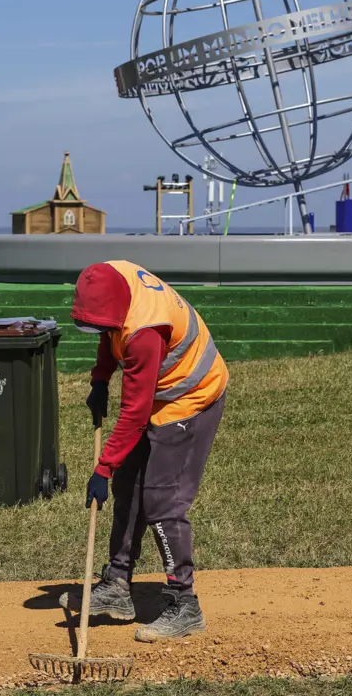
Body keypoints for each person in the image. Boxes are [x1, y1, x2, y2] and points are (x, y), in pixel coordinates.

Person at [60, 259, 228, 642]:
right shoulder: (111, 280)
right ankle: (117, 584)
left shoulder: (145, 333)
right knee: (128, 488)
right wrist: (101, 378)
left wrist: (103, 468)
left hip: (191, 397)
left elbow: (134, 414)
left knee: (161, 501)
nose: (100, 330)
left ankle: (184, 604)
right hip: (160, 389)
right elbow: (108, 333)